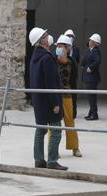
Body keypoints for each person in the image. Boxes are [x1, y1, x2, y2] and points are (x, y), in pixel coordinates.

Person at [29, 27, 66, 170]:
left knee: (40, 130)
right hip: (49, 101)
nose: (48, 36)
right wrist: (55, 103)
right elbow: (51, 82)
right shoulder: (46, 58)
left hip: (39, 100)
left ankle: (38, 160)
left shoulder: (35, 57)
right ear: (41, 41)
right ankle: (52, 161)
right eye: (45, 35)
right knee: (56, 130)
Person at [55, 35, 81, 158]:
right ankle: (53, 149)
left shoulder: (72, 63)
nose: (58, 48)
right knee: (54, 124)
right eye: (57, 46)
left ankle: (75, 148)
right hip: (56, 97)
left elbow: (74, 82)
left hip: (68, 96)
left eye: (61, 46)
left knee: (70, 122)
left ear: (67, 49)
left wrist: (75, 103)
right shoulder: (52, 61)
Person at [62, 29, 81, 118]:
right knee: (63, 94)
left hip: (72, 74)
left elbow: (77, 60)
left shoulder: (76, 49)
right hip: (63, 75)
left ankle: (73, 112)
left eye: (72, 36)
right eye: (69, 36)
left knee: (73, 94)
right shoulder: (60, 48)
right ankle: (63, 112)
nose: (70, 38)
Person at [83, 33, 101, 120]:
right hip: (88, 77)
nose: (89, 41)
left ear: (93, 42)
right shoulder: (90, 50)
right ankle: (91, 113)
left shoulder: (95, 51)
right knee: (90, 96)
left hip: (92, 78)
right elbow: (84, 60)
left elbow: (97, 61)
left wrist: (91, 67)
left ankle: (94, 114)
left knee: (91, 96)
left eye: (90, 40)